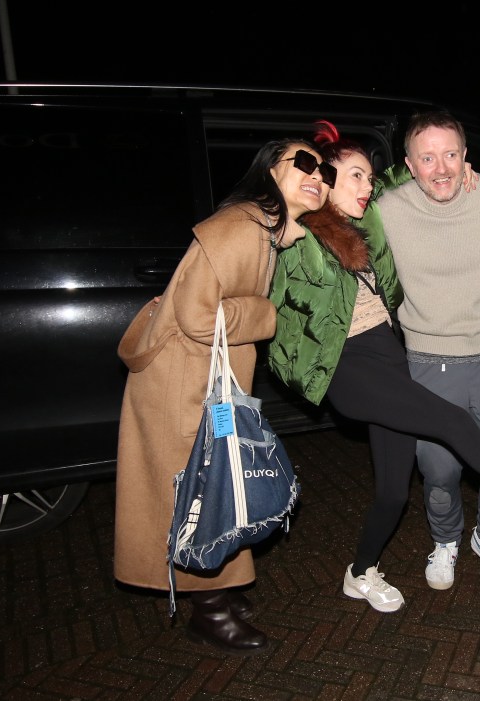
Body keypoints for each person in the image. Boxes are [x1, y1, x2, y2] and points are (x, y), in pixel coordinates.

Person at [267, 120, 480, 614]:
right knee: (451, 428)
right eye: (354, 177)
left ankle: (360, 573)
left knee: (393, 493)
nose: (367, 186)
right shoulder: (294, 231)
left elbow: (407, 174)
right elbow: (248, 246)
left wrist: (450, 166)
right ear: (322, 181)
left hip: (388, 362)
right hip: (346, 369)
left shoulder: (364, 218)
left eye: (370, 177)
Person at [114, 138, 335, 655]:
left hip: (202, 378)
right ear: (268, 172)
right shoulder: (241, 227)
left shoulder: (265, 230)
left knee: (216, 479)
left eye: (323, 169)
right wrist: (266, 316)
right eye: (302, 163)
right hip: (184, 384)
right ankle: (210, 611)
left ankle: (219, 592)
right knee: (205, 487)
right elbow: (196, 317)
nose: (317, 175)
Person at [377, 111, 480, 592]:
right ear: (409, 164)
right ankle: (445, 541)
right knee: (439, 471)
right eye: (427, 157)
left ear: (466, 158)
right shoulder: (389, 210)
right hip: (427, 361)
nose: (440, 168)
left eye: (451, 154)